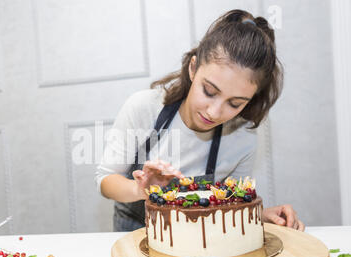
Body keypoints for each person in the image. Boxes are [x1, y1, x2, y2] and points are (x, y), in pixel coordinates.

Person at [96, 9, 305, 232]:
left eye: (235, 104)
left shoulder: (243, 137)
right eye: (209, 91)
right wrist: (141, 190)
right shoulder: (144, 107)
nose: (214, 112)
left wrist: (260, 217)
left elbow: (230, 203)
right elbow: (106, 180)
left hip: (200, 235)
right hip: (136, 228)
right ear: (193, 68)